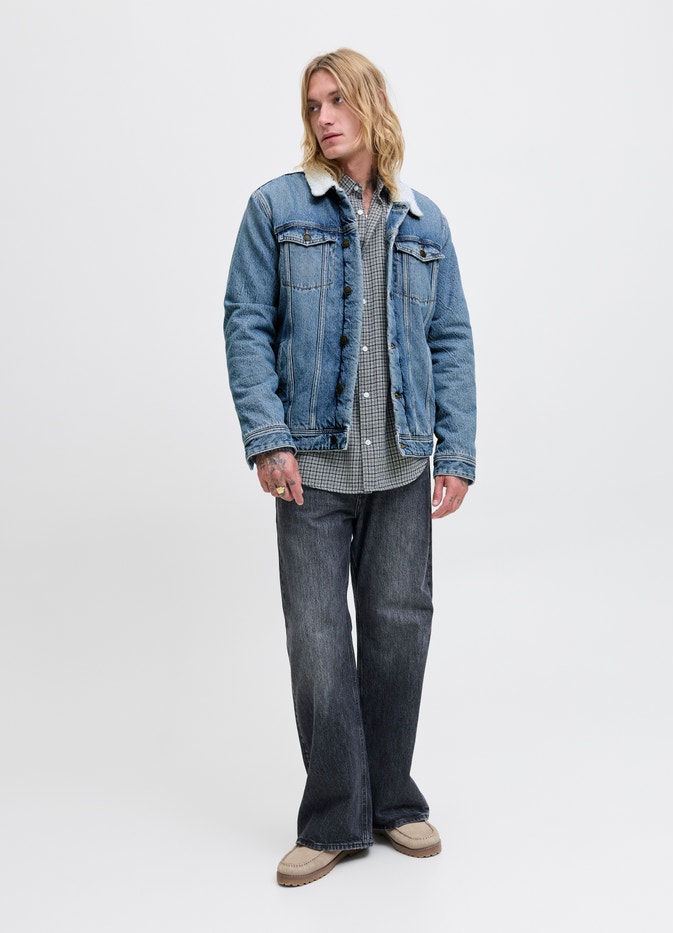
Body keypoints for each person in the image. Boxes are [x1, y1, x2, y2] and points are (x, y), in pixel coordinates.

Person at [223, 48, 476, 886]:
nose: (324, 117)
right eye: (313, 105)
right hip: (311, 469)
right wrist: (268, 437)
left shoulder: (424, 223)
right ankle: (334, 815)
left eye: (337, 100)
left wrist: (456, 450)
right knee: (318, 639)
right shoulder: (276, 207)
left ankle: (392, 800)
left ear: (371, 104)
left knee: (400, 632)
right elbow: (246, 321)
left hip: (403, 464)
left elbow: (450, 339)